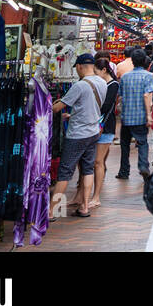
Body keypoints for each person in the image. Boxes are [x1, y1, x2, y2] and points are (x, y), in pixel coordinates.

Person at [50, 53, 107, 219]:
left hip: (77, 135)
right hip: (93, 132)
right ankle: (84, 207)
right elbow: (89, 107)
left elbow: (57, 108)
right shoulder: (102, 83)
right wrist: (73, 115)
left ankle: (52, 210)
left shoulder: (80, 86)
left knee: (65, 172)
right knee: (87, 169)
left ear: (80, 66)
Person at [117, 49, 153, 179]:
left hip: (126, 117)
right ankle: (143, 166)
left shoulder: (125, 77)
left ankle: (124, 171)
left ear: (132, 61)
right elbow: (147, 96)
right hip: (140, 117)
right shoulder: (148, 76)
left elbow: (121, 96)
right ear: (144, 61)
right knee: (142, 143)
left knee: (125, 145)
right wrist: (149, 115)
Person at [92, 57, 120, 208]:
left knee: (98, 162)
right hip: (99, 126)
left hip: (105, 126)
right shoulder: (104, 83)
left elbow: (105, 106)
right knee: (95, 162)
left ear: (104, 70)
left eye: (96, 72)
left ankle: (96, 196)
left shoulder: (113, 85)